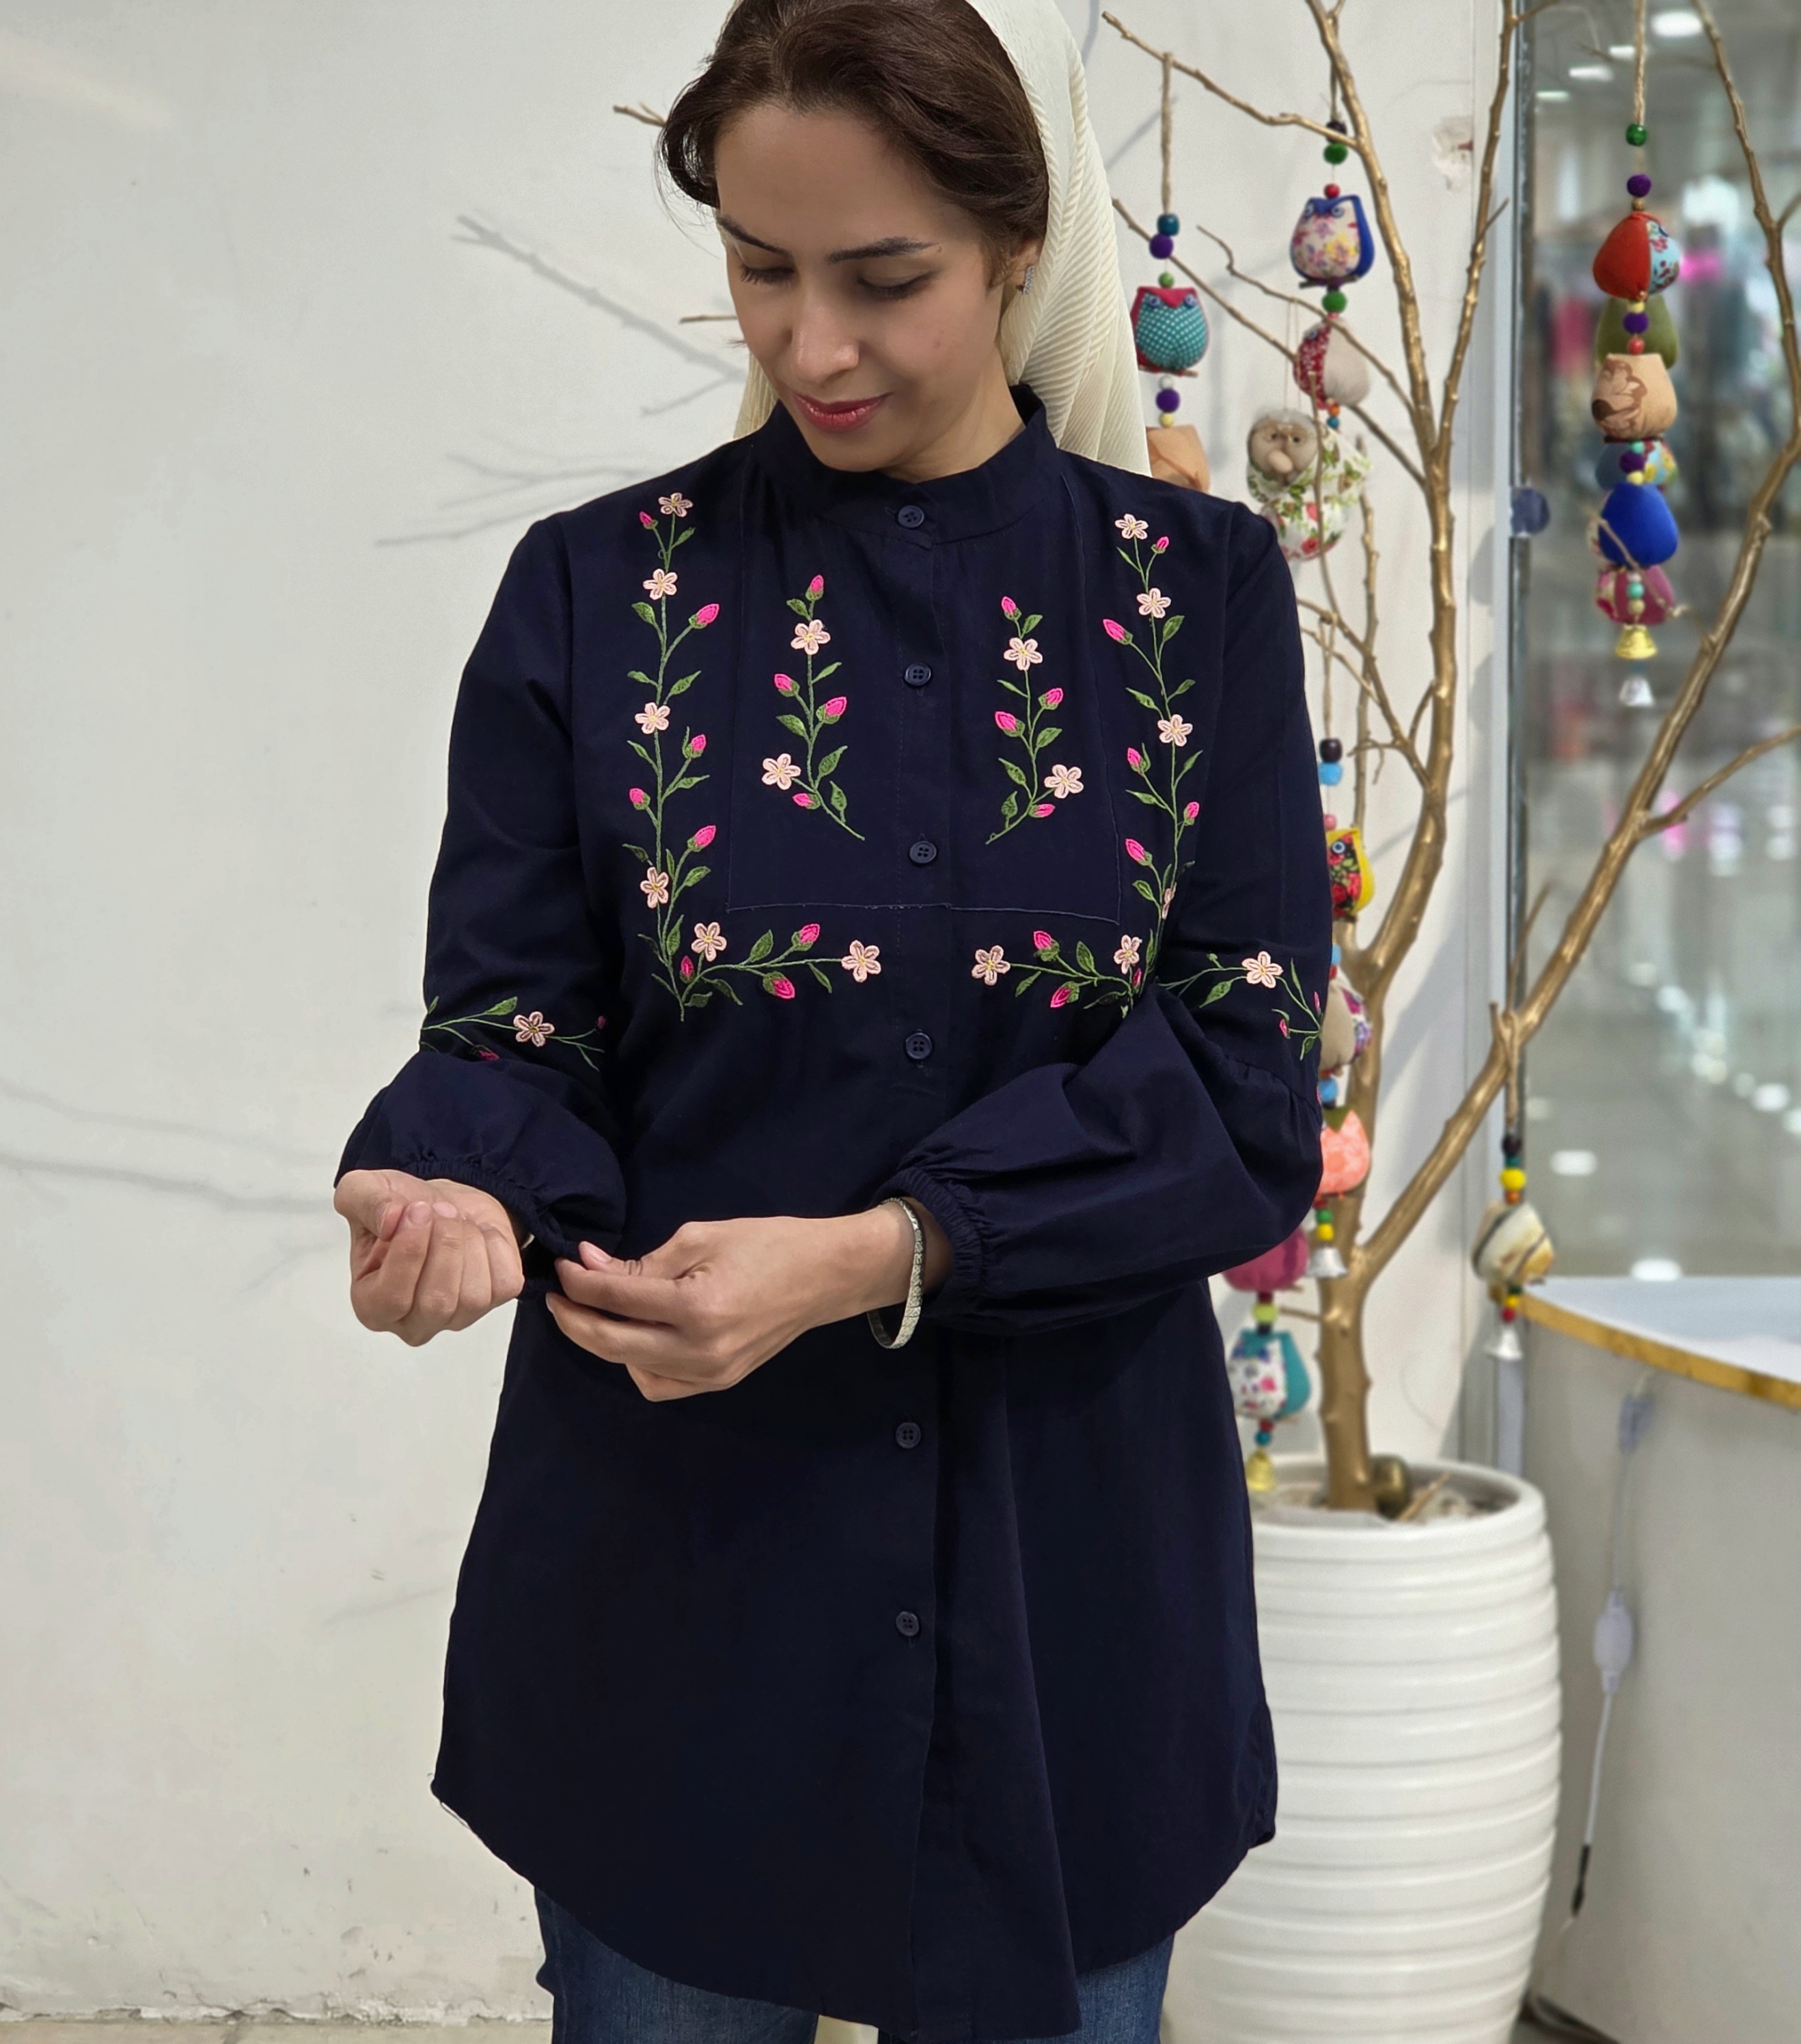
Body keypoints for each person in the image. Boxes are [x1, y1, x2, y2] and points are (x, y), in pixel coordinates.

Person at [332, 1, 1328, 2038]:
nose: (813, 345)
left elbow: (1240, 1090)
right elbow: (514, 1022)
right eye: (759, 270)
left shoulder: (1198, 599)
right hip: (684, 1579)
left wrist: (886, 1253)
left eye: (884, 278)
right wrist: (454, 1186)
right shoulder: (595, 595)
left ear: (1020, 244)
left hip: (1066, 1587)